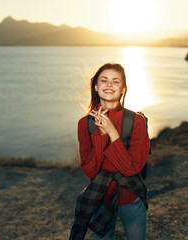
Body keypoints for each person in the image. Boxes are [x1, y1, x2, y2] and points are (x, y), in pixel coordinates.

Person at [71, 63, 150, 240]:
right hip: (99, 199)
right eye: (104, 80)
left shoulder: (136, 121)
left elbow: (132, 169)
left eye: (115, 81)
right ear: (96, 86)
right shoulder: (85, 124)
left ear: (123, 89)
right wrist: (100, 136)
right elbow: (90, 170)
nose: (109, 84)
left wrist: (112, 132)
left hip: (131, 199)